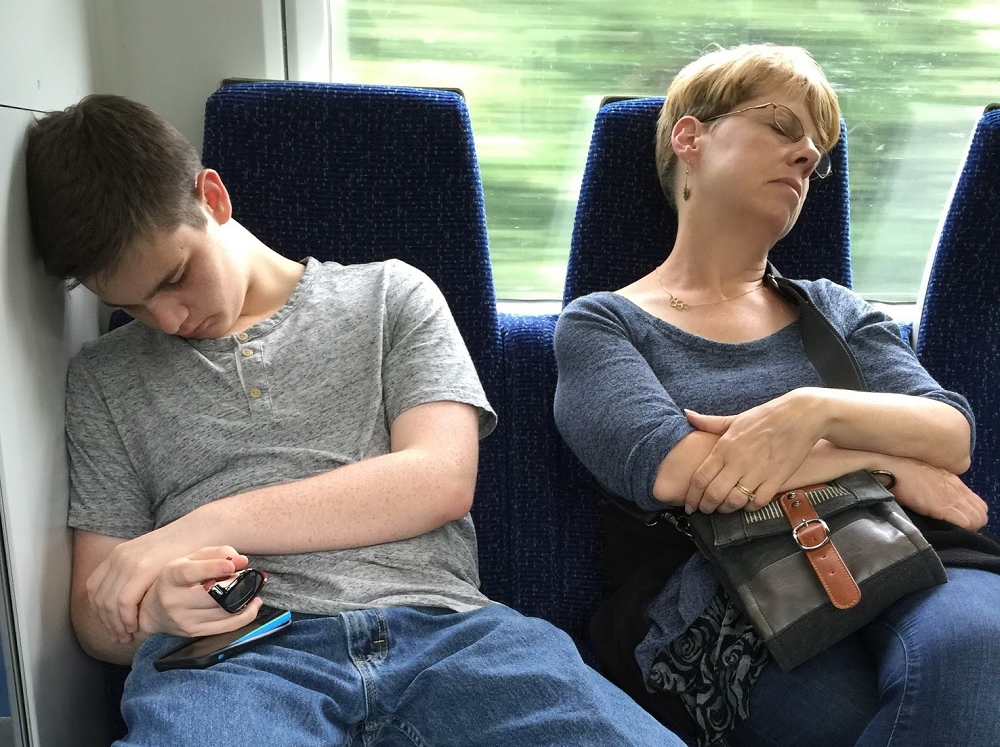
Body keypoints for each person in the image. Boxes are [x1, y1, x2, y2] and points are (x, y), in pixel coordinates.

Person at [26, 94, 687, 746]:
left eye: (174, 278)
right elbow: (95, 610)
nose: (169, 320)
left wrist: (204, 525)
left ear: (214, 199)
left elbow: (439, 479)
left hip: (447, 636)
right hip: (238, 659)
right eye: (133, 305)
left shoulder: (390, 296)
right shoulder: (102, 378)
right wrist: (160, 611)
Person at [553, 44, 1000, 747]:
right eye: (782, 128)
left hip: (906, 547)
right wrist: (887, 464)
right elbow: (683, 469)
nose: (806, 157)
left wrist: (810, 412)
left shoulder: (836, 309)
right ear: (691, 137)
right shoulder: (601, 323)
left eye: (816, 152)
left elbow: (948, 435)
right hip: (730, 590)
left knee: (974, 655)